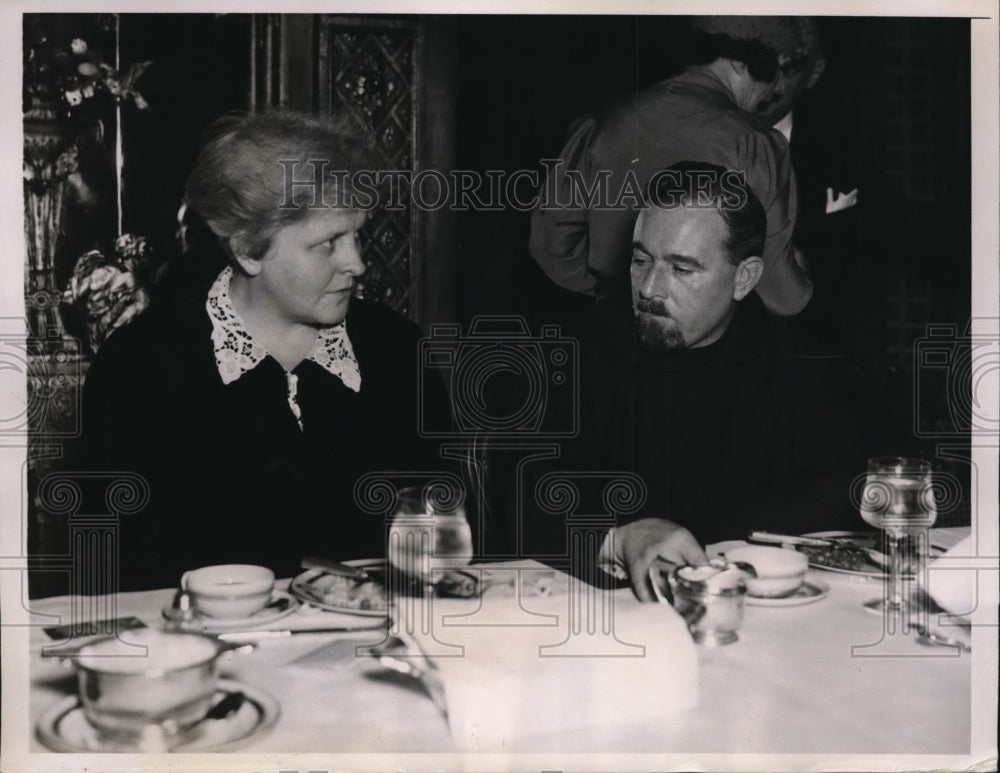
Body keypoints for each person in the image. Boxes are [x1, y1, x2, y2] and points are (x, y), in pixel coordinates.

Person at [66, 111, 452, 591]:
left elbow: (441, 545)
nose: (357, 263)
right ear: (248, 249)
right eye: (328, 242)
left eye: (358, 234)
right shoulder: (139, 366)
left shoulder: (399, 350)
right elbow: (108, 575)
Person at [519, 162, 859, 600]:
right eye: (641, 260)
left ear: (744, 278)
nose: (649, 289)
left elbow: (841, 489)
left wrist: (691, 528)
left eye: (682, 269)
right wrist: (618, 538)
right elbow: (525, 500)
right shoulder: (573, 353)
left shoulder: (794, 363)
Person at [529, 16, 817, 317]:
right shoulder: (754, 145)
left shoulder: (603, 123)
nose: (780, 87)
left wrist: (617, 291)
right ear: (739, 62)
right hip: (706, 346)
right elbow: (780, 294)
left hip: (613, 335)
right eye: (776, 69)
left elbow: (551, 246)